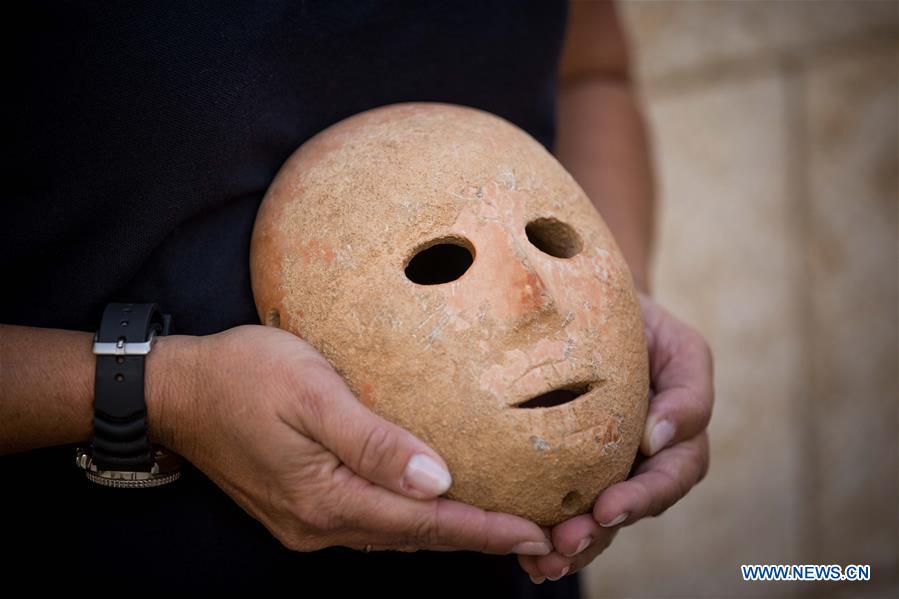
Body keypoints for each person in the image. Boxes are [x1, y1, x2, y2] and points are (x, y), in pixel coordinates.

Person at [1, 1, 712, 596]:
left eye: (544, 244)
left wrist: (614, 300)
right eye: (442, 265)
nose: (531, 302)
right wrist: (163, 394)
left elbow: (592, 70)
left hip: (506, 574)